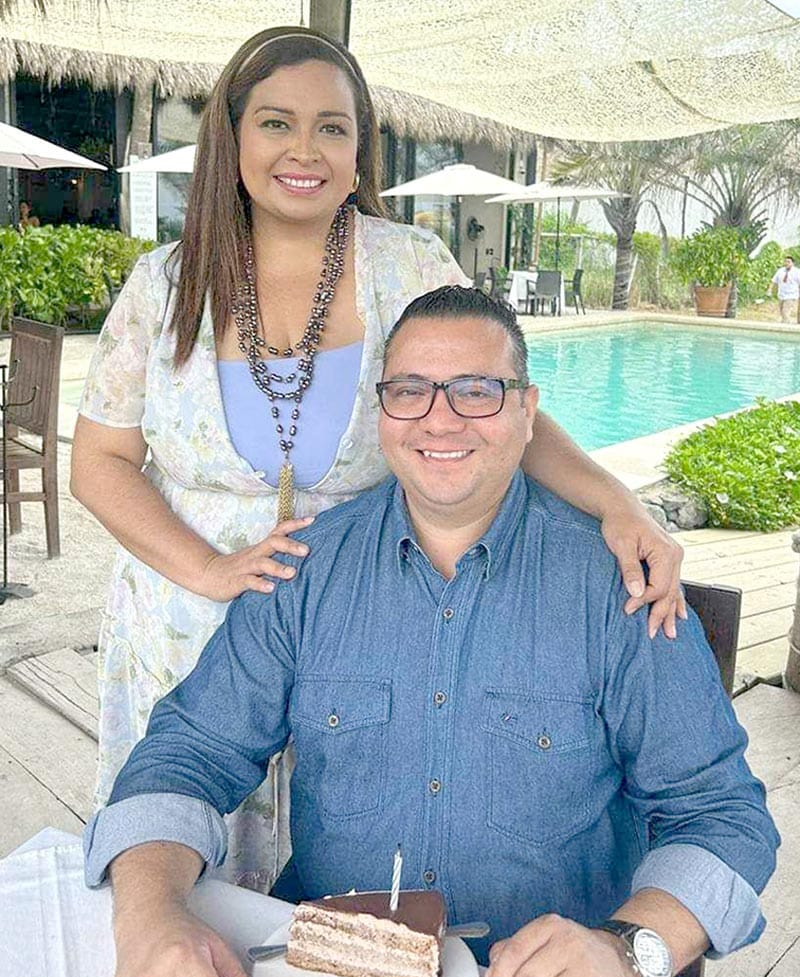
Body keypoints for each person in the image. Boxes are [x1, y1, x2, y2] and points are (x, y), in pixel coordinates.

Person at [71, 25, 685, 891]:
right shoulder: (164, 285)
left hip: (367, 630)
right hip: (184, 627)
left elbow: (495, 404)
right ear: (232, 137)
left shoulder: (409, 266)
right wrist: (209, 568)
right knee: (189, 870)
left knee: (354, 870)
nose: (305, 150)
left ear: (360, 152)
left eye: (333, 127)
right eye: (276, 123)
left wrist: (617, 502)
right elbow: (99, 459)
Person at [84, 287, 778, 977]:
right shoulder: (302, 572)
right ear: (381, 413)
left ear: (527, 411)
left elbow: (722, 816)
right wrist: (148, 919)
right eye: (410, 390)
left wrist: (627, 951)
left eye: (477, 391)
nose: (439, 419)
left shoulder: (622, 588)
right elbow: (185, 753)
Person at [767, 254, 800, 323]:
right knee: (782, 312)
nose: (786, 263)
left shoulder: (797, 272)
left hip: (791, 295)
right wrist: (769, 289)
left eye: (788, 262)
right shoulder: (780, 271)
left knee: (786, 311)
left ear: (792, 263)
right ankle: (785, 324)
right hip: (781, 295)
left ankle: (785, 325)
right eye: (785, 261)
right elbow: (773, 281)